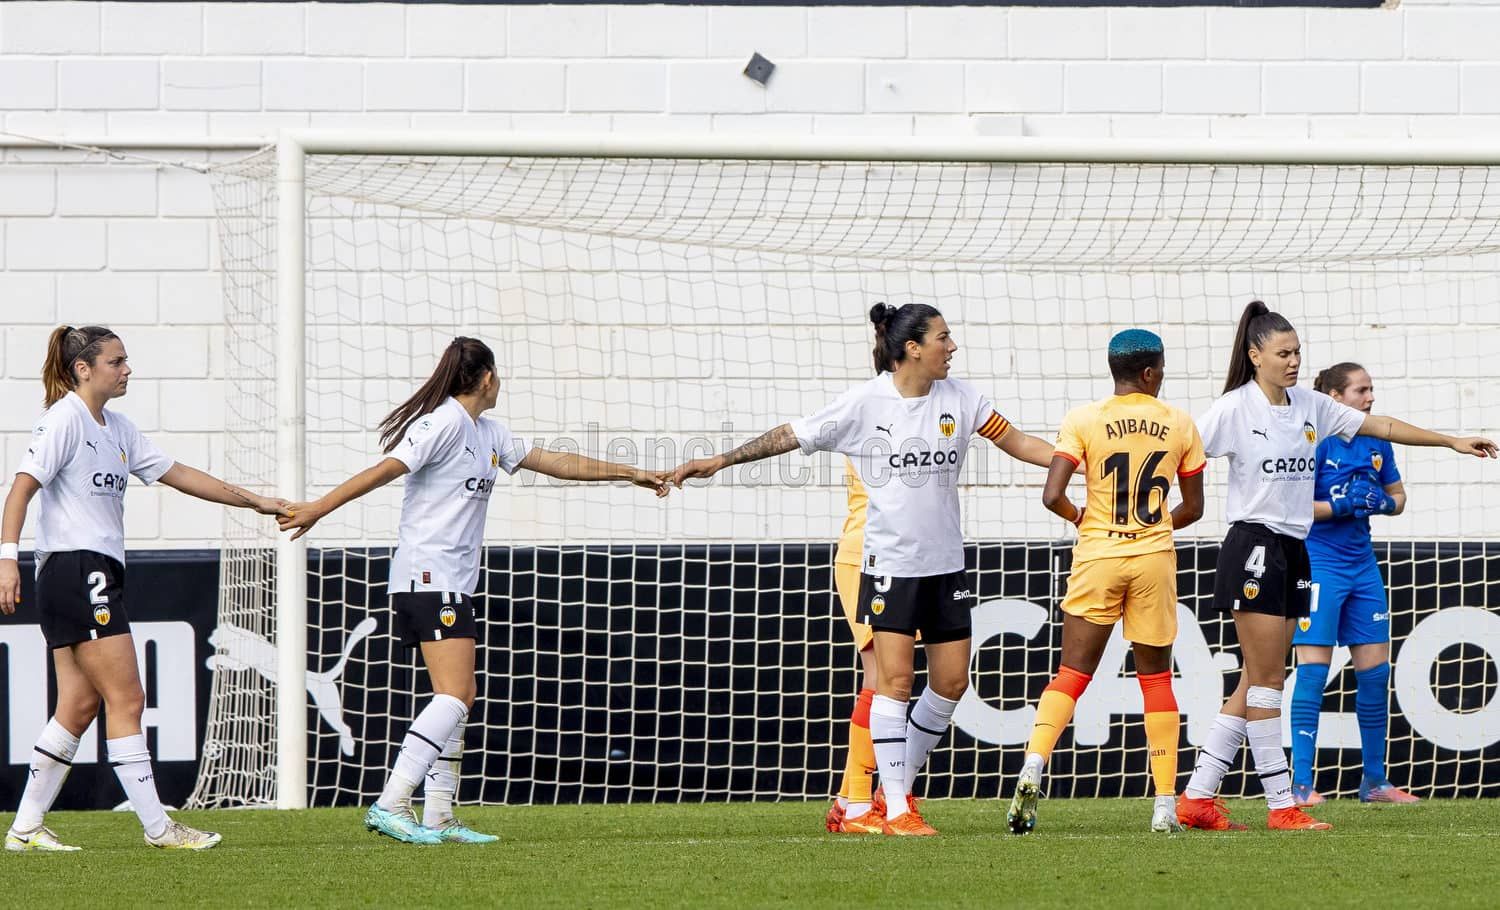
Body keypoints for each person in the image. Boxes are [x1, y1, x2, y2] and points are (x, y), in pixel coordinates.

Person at [671, 302, 1052, 836]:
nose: (953, 346)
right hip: (887, 565)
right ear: (912, 348)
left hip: (945, 567)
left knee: (950, 683)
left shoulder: (962, 398)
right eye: (943, 337)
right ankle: (894, 808)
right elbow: (791, 434)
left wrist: (1077, 458)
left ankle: (883, 796)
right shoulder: (864, 402)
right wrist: (721, 460)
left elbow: (1018, 441)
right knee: (893, 682)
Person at [278, 336, 668, 845]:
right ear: (487, 378)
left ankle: (439, 815)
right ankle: (391, 803)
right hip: (427, 578)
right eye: (498, 375)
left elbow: (555, 462)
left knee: (456, 696)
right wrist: (316, 508)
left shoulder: (488, 432)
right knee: (457, 695)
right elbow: (384, 470)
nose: (500, 382)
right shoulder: (441, 424)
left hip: (452, 583)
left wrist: (631, 473)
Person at [1176, 302, 1495, 832]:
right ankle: (1282, 804)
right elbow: (1183, 451)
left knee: (1258, 680)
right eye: (1283, 353)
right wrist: (1163, 509)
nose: (1294, 360)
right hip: (1254, 546)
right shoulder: (1235, 409)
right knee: (1267, 685)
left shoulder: (1309, 406)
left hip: (1295, 550)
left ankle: (1198, 797)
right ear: (1255, 357)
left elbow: (1382, 424)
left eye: (1298, 351)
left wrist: (1450, 441)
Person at [2, 325, 289, 852]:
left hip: (92, 572)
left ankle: (24, 828)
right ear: (84, 369)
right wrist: (7, 561)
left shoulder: (117, 427)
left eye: (125, 360)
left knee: (78, 706)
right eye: (117, 361)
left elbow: (178, 473)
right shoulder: (65, 418)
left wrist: (256, 502)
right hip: (77, 567)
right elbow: (21, 489)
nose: (127, 369)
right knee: (128, 697)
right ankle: (160, 828)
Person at [1006, 329, 1205, 836]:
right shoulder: (1179, 423)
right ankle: (1164, 805)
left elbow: (1052, 495)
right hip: (1153, 560)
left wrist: (1081, 517)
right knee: (1156, 680)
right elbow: (1195, 507)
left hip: (1097, 554)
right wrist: (1156, 525)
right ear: (1148, 373)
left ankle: (1032, 767)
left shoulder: (1084, 419)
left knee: (1072, 673)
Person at [1289, 363, 1418, 805]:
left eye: (1371, 390)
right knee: (1312, 674)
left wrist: (1384, 502)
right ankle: (1301, 784)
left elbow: (1399, 497)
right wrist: (1339, 504)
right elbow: (1294, 508)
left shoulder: (1377, 440)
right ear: (1335, 398)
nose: (1370, 398)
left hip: (1363, 567)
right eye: (1362, 390)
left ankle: (1375, 782)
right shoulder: (1313, 441)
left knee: (1375, 676)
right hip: (1319, 565)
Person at [823, 460, 884, 835]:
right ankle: (859, 805)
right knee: (881, 678)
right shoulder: (871, 413)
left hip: (902, 557)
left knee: (892, 678)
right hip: (867, 556)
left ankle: (847, 803)